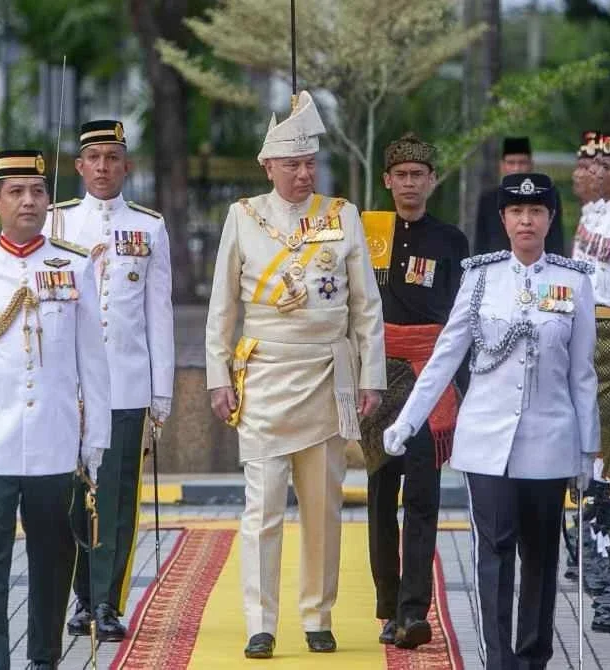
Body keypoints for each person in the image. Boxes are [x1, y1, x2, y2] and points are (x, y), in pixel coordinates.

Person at [384, 172, 599, 670]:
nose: (526, 220)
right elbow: (445, 356)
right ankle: (498, 661)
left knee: (542, 559)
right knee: (494, 554)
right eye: (517, 212)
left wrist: (589, 450)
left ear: (549, 219)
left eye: (537, 212)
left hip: (549, 442)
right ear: (503, 220)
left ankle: (533, 658)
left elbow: (583, 374)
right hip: (487, 443)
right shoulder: (480, 277)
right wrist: (409, 420)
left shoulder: (573, 282)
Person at [204, 90, 386, 659]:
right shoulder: (243, 216)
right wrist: (216, 375)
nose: (304, 173)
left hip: (327, 374)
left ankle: (317, 614)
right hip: (262, 375)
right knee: (261, 509)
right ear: (269, 166)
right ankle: (260, 620)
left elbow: (367, 306)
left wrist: (371, 376)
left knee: (323, 507)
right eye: (292, 165)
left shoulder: (342, 215)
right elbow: (222, 307)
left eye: (309, 163)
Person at [0, 150, 110, 670]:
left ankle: (45, 659)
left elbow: (93, 359)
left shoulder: (73, 264)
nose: (29, 201)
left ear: (48, 199)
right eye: (17, 192)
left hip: (53, 438)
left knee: (52, 556)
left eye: (38, 191)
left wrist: (96, 439)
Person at [48, 120, 175, 642]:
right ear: (79, 166)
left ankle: (105, 602)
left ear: (128, 165)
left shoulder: (149, 227)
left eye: (113, 157)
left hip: (126, 386)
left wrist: (160, 394)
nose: (103, 167)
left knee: (118, 499)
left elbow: (159, 314)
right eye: (94, 157)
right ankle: (79, 596)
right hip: (70, 390)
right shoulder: (57, 223)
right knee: (71, 499)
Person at [358, 133, 469, 649]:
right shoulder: (365, 232)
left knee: (423, 499)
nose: (408, 184)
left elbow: (461, 320)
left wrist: (455, 382)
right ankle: (387, 606)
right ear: (387, 181)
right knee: (382, 495)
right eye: (400, 175)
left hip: (429, 376)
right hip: (379, 377)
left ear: (431, 181)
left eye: (417, 175)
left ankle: (413, 611)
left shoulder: (451, 241)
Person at [473, 137, 565, 255]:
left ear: (531, 164)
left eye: (522, 162)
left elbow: (556, 240)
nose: (516, 168)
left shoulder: (547, 195)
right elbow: (480, 243)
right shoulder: (488, 199)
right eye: (511, 163)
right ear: (502, 165)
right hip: (497, 269)